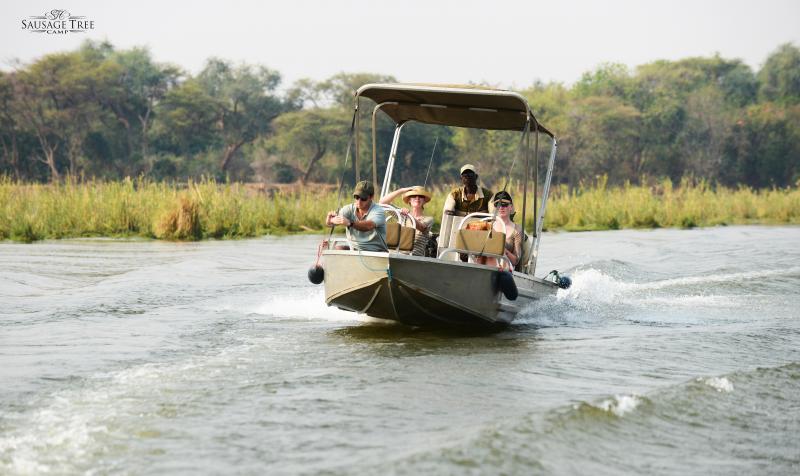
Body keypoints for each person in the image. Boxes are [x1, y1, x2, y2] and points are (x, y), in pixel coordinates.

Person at [325, 181, 387, 252]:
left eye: (363, 198)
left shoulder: (378, 211)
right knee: (333, 249)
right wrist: (330, 220)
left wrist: (350, 223)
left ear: (371, 197)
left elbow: (369, 226)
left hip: (376, 252)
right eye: (357, 197)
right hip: (354, 250)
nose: (359, 201)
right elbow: (331, 223)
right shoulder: (348, 209)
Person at [380, 186, 434, 256]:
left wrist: (408, 215)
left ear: (424, 201)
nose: (417, 198)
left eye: (420, 196)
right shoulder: (402, 215)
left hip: (414, 257)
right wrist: (403, 190)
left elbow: (421, 227)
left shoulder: (429, 219)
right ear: (409, 200)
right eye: (414, 196)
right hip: (396, 254)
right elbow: (382, 202)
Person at [487, 191, 523, 270]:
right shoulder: (488, 226)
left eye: (504, 205)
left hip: (505, 270)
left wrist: (503, 250)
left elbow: (515, 260)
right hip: (487, 266)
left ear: (511, 207)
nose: (501, 207)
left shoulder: (517, 230)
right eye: (498, 205)